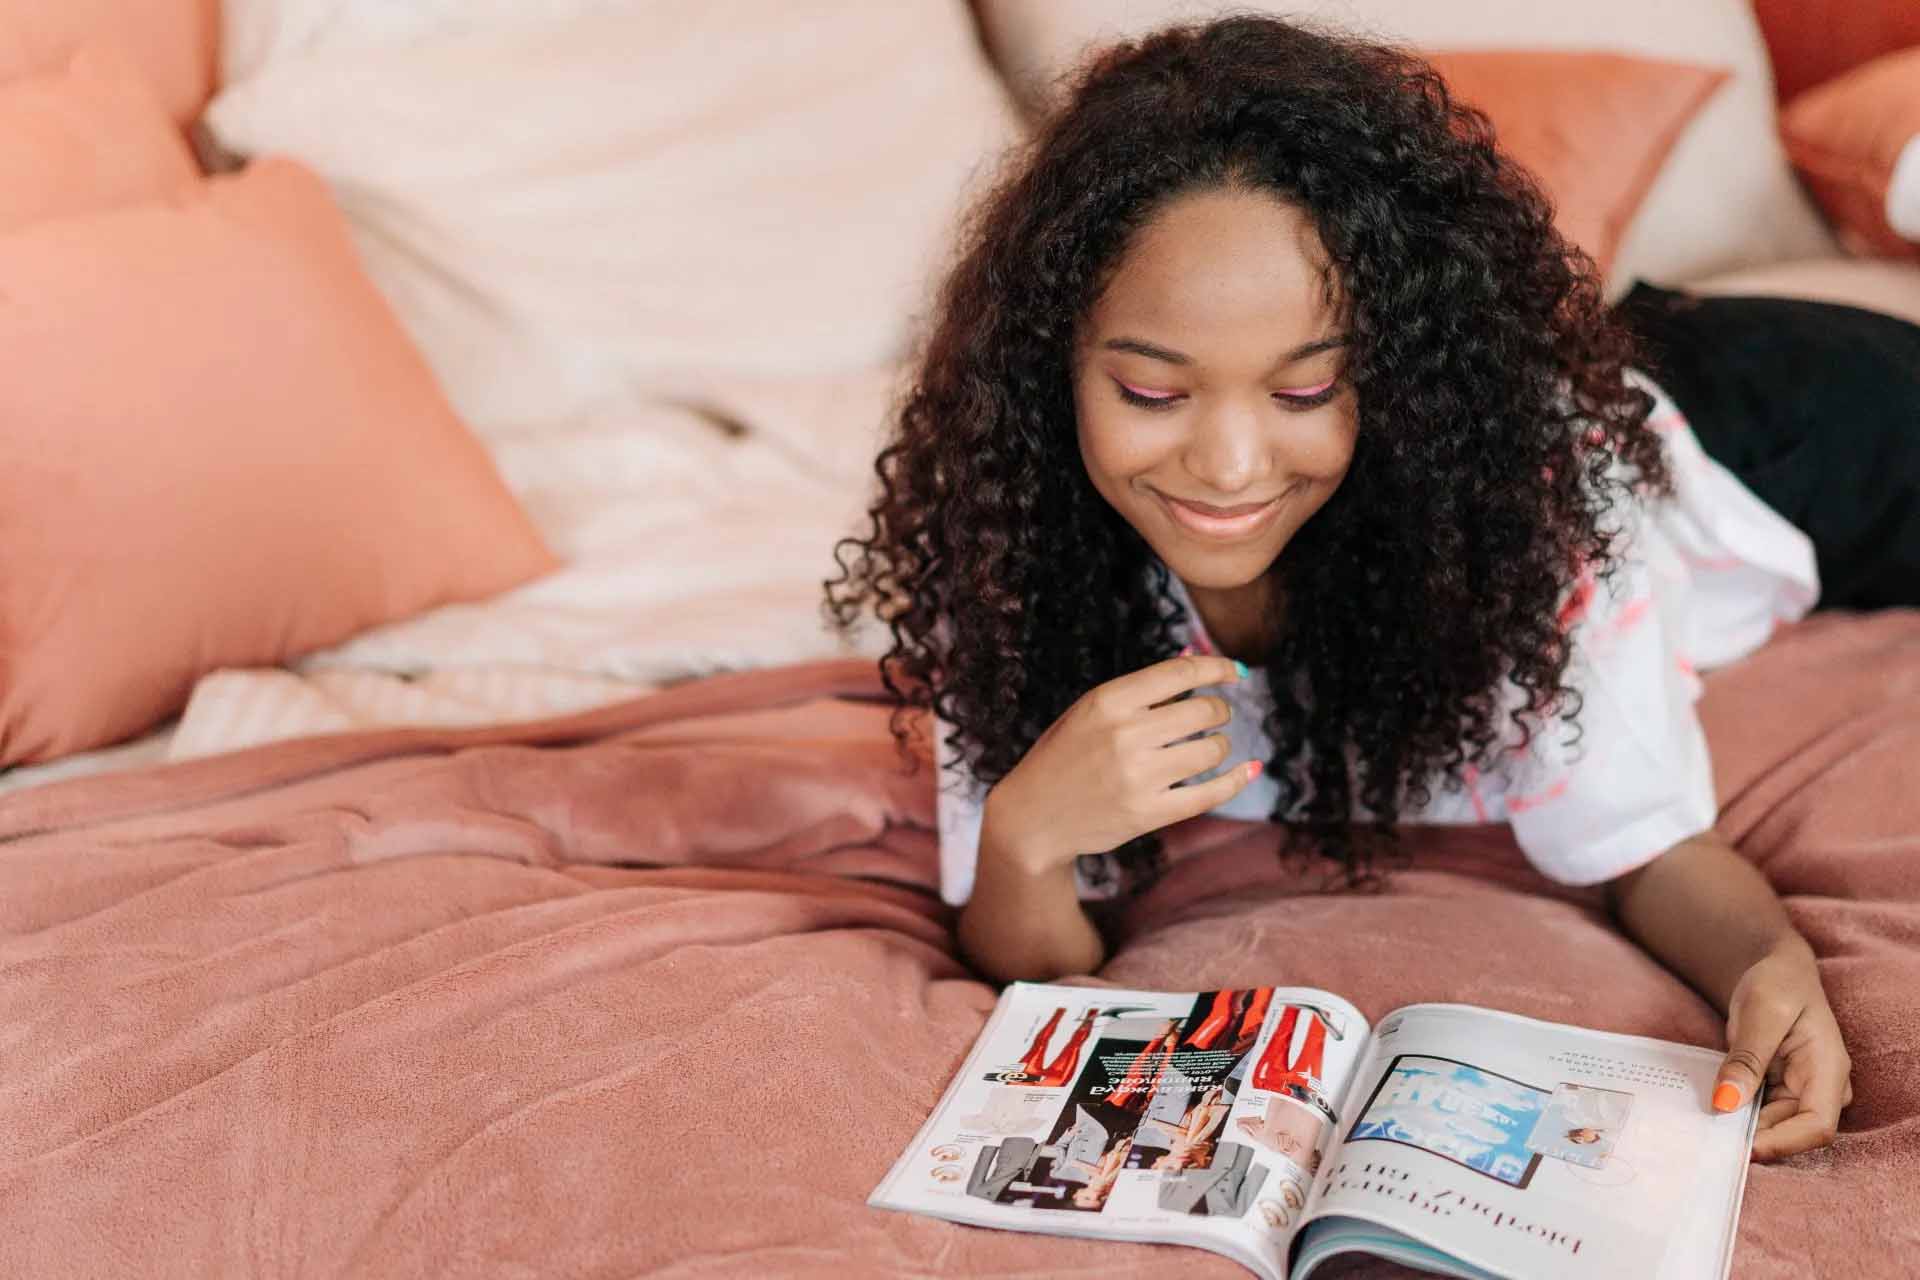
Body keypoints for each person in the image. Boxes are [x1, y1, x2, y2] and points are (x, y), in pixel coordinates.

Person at [827, 15, 1909, 1161]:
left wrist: (1769, 959)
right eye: (1152, 390)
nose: (1230, 466)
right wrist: (1024, 837)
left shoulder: (1522, 513)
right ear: (1055, 368)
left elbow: (1648, 843)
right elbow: (1037, 958)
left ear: (1387, 380)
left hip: (1799, 431)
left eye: (1304, 393)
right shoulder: (1010, 543)